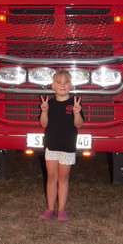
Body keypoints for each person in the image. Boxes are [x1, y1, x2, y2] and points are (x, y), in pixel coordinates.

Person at [38, 69, 83, 222]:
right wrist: (44, 111)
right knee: (51, 177)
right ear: (53, 86)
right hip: (51, 146)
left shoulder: (75, 104)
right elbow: (43, 124)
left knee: (63, 178)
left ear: (70, 85)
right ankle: (50, 209)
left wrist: (77, 113)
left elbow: (79, 124)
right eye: (59, 82)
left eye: (65, 82)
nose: (62, 85)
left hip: (68, 147)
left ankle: (62, 210)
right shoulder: (49, 104)